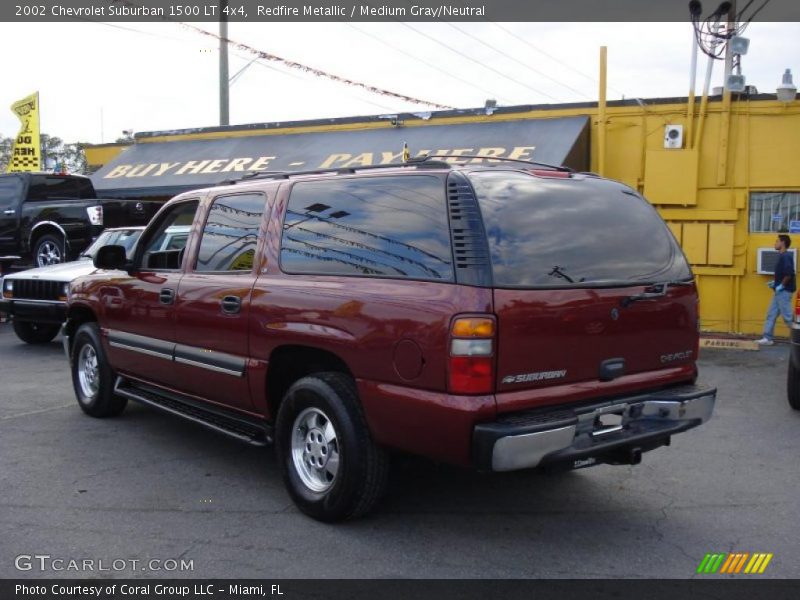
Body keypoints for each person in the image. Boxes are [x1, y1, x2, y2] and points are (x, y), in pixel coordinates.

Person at [758, 234, 796, 345]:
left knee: (788, 318)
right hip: (779, 292)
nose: (775, 243)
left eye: (777, 241)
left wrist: (781, 286)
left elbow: (789, 274)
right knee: (771, 314)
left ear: (782, 243)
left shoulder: (786, 256)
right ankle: (767, 338)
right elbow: (784, 274)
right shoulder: (782, 256)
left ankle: (798, 337)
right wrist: (775, 284)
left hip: (784, 292)